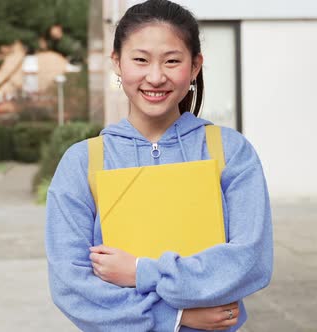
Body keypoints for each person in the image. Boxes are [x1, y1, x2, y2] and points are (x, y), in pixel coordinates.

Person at [45, 0, 273, 330]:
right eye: (140, 60)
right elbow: (70, 284)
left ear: (195, 66)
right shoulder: (82, 163)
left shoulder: (230, 151)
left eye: (172, 61)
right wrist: (173, 317)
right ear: (117, 63)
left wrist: (140, 271)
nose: (155, 77)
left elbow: (250, 260)